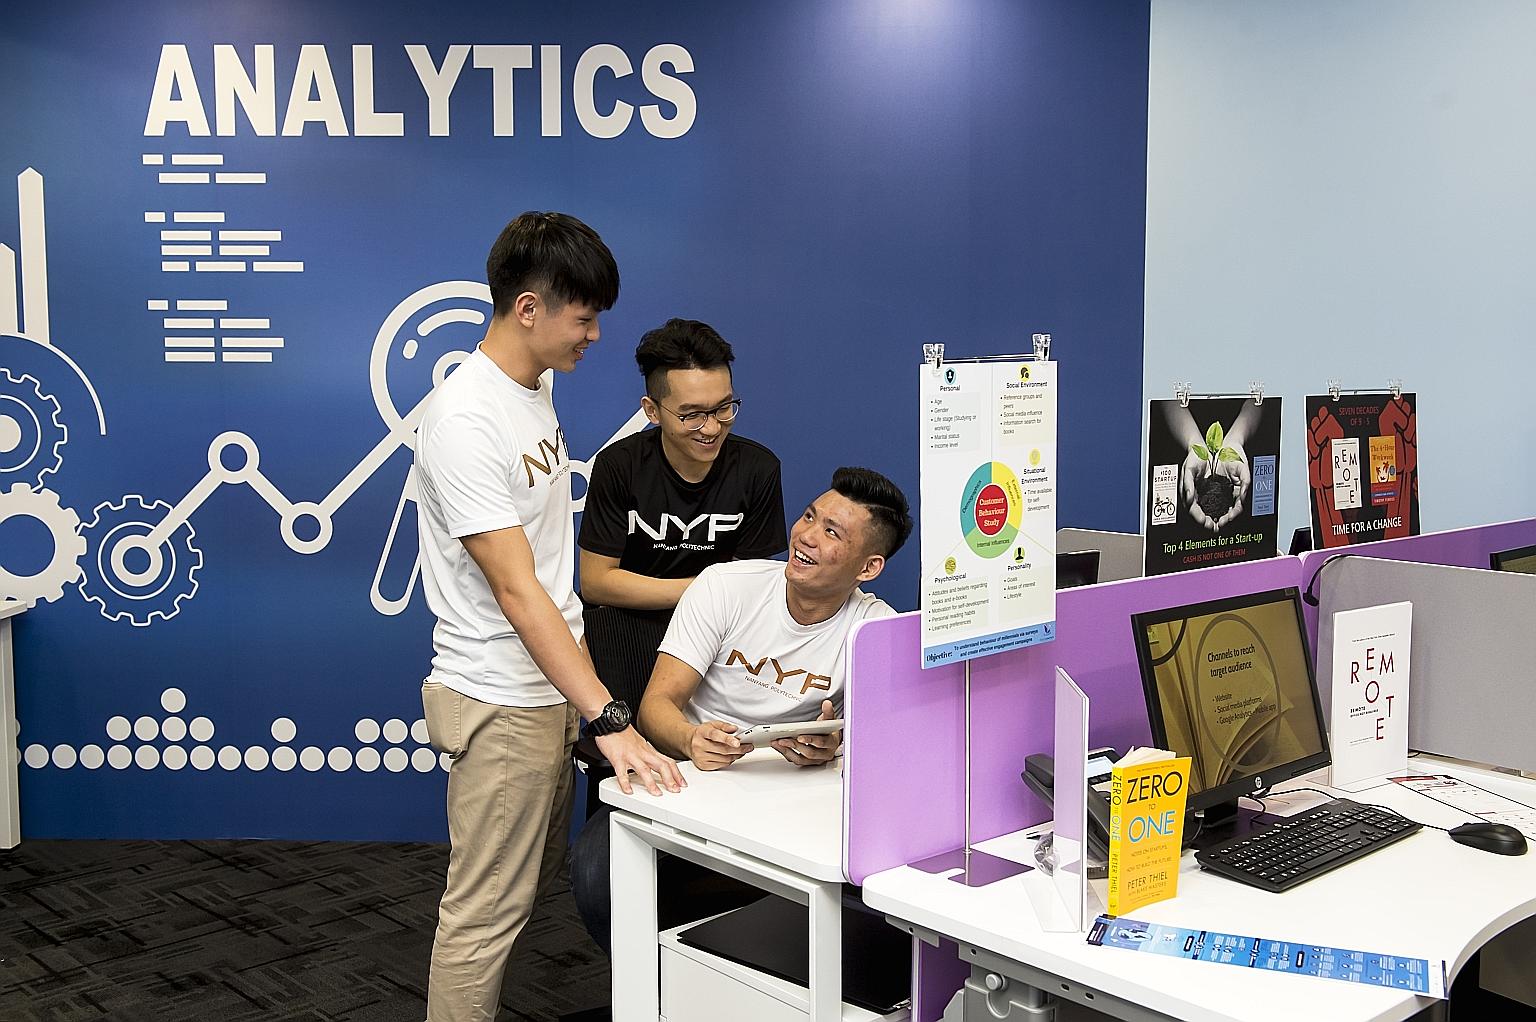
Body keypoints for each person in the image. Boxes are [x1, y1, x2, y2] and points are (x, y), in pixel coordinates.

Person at [414, 211, 683, 1022]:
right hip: (499, 697)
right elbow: (518, 591)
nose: (596, 333)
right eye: (584, 315)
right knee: (484, 917)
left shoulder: (533, 385)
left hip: (542, 687)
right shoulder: (465, 419)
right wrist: (606, 714)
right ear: (526, 309)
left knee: (513, 902)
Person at [569, 466, 912, 949]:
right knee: (595, 866)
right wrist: (690, 738)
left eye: (831, 532)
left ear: (868, 567)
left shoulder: (876, 630)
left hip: (796, 798)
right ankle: (653, 990)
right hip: (694, 777)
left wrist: (830, 747)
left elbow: (884, 753)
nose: (806, 536)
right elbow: (656, 706)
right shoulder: (727, 586)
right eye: (810, 516)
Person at [578, 317, 787, 615]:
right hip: (623, 618)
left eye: (723, 408)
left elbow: (750, 588)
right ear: (652, 411)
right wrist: (709, 589)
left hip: (716, 623)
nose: (713, 428)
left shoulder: (759, 469)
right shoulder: (619, 465)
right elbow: (596, 583)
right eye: (692, 415)